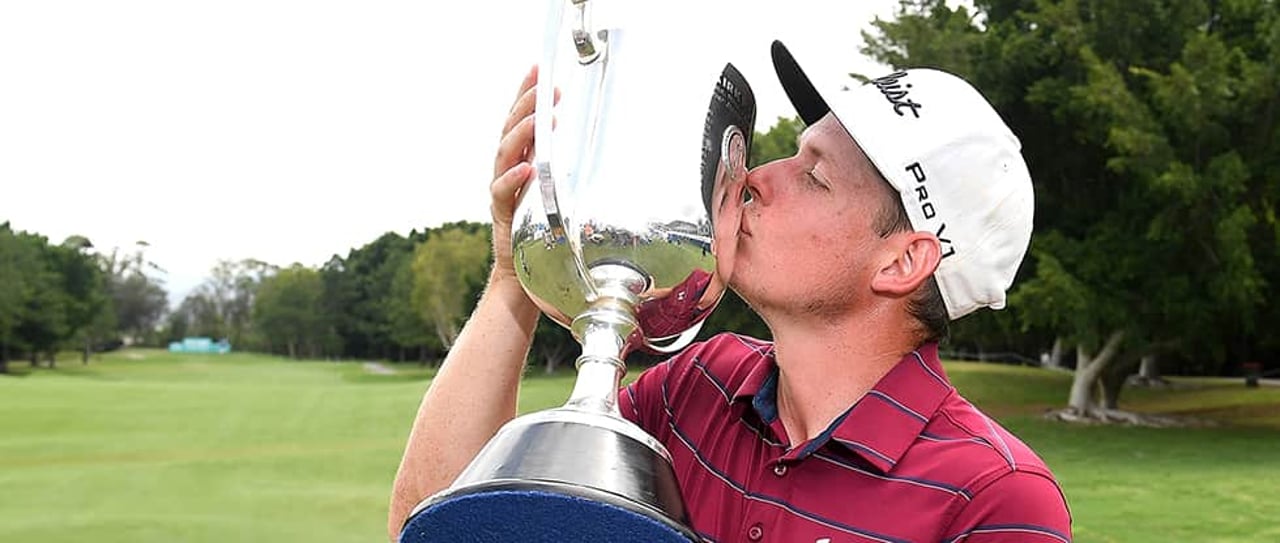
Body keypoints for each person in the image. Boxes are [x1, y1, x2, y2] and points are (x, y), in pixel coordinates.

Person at [388, 40, 1072, 542]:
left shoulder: (998, 497)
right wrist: (514, 273)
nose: (755, 179)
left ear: (901, 262)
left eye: (814, 176)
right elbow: (443, 523)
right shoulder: (698, 387)